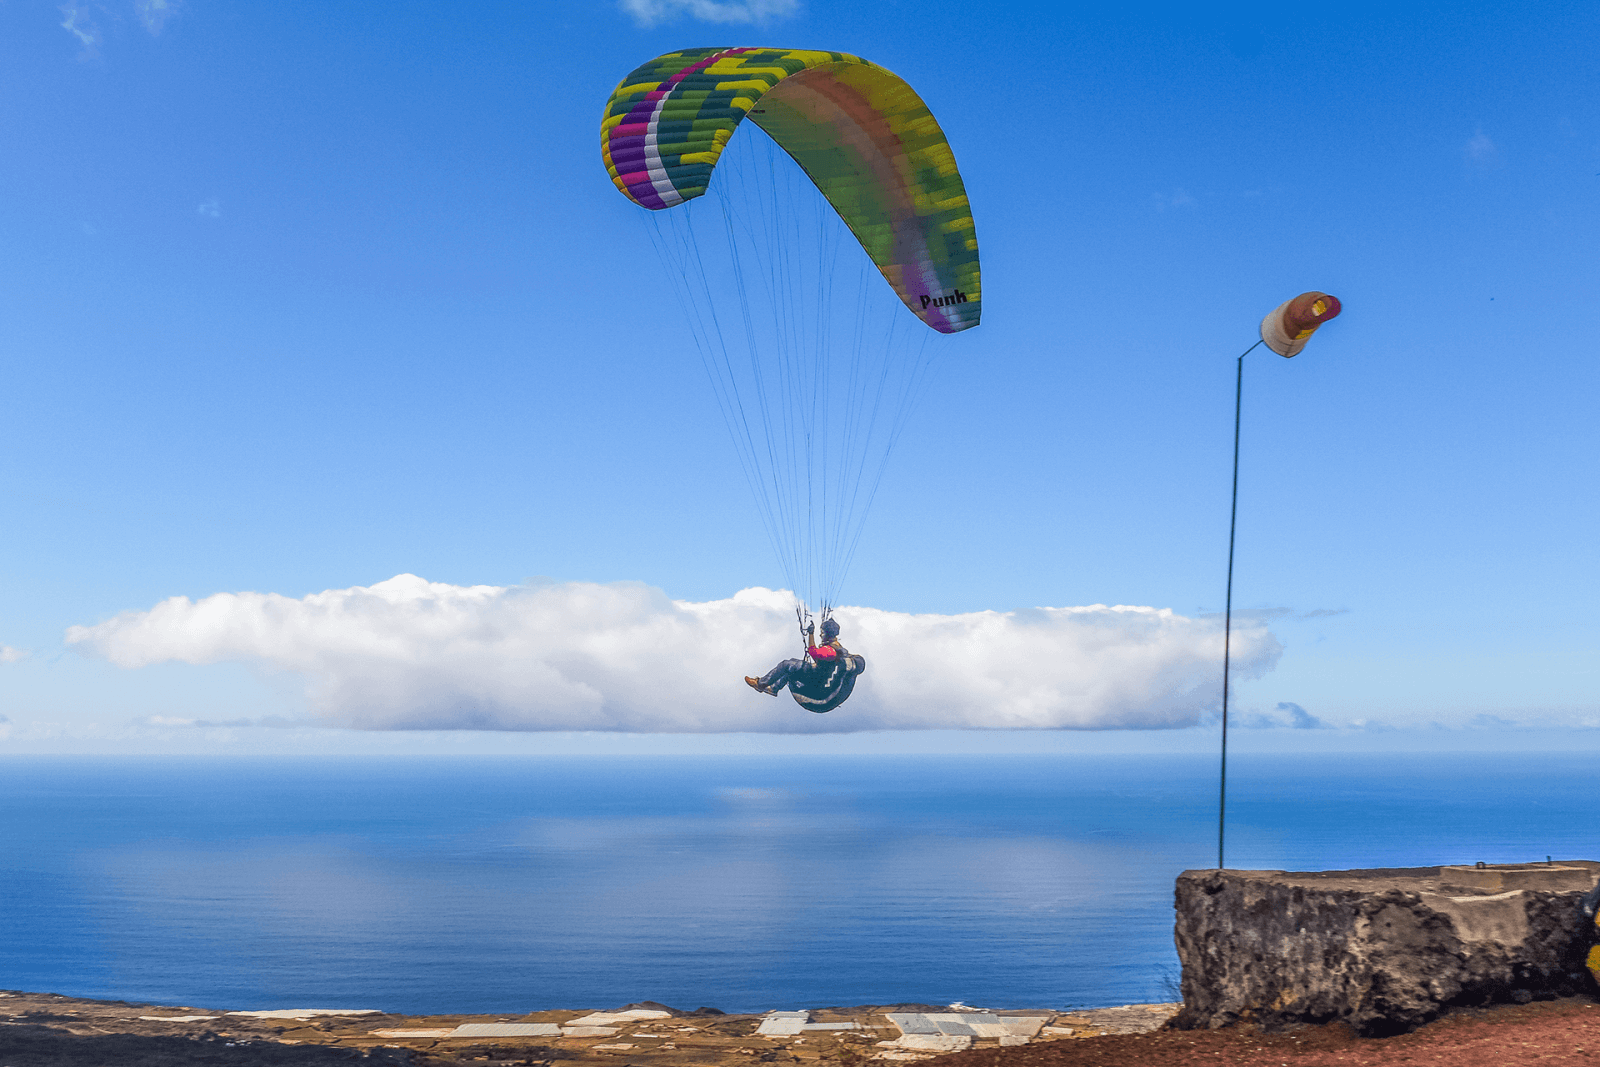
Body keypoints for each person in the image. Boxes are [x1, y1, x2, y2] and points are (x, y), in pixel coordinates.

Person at [746, 617, 853, 696]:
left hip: (815, 679)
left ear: (828, 634)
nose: (820, 635)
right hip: (818, 676)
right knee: (792, 664)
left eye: (822, 633)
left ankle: (760, 684)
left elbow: (813, 652)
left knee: (786, 664)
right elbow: (818, 658)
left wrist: (811, 634)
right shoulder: (833, 647)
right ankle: (773, 688)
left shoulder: (830, 651)